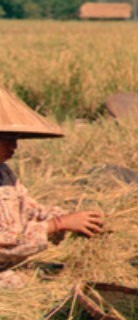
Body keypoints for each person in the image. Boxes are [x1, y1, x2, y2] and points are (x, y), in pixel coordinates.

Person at [0, 88, 105, 278]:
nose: (14, 146)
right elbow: (4, 242)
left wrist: (76, 219)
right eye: (7, 139)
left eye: (15, 139)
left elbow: (29, 209)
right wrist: (58, 224)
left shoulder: (3, 173)